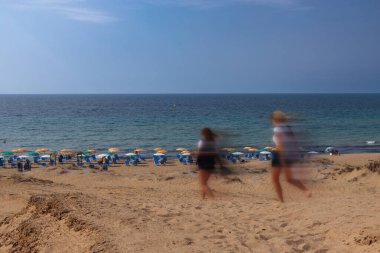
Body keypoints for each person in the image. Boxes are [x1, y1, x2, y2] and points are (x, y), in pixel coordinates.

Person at [270, 111, 311, 202]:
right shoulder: (287, 129)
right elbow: (294, 143)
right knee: (289, 179)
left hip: (279, 155)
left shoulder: (277, 129)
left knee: (275, 179)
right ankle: (306, 190)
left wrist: (280, 155)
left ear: (274, 120)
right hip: (289, 154)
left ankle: (281, 200)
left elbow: (280, 145)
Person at [194, 128, 221, 199]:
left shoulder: (202, 142)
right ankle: (203, 198)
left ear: (203, 134)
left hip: (203, 162)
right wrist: (220, 164)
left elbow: (200, 152)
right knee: (204, 182)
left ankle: (212, 198)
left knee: (203, 183)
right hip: (211, 162)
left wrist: (195, 154)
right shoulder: (214, 142)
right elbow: (216, 154)